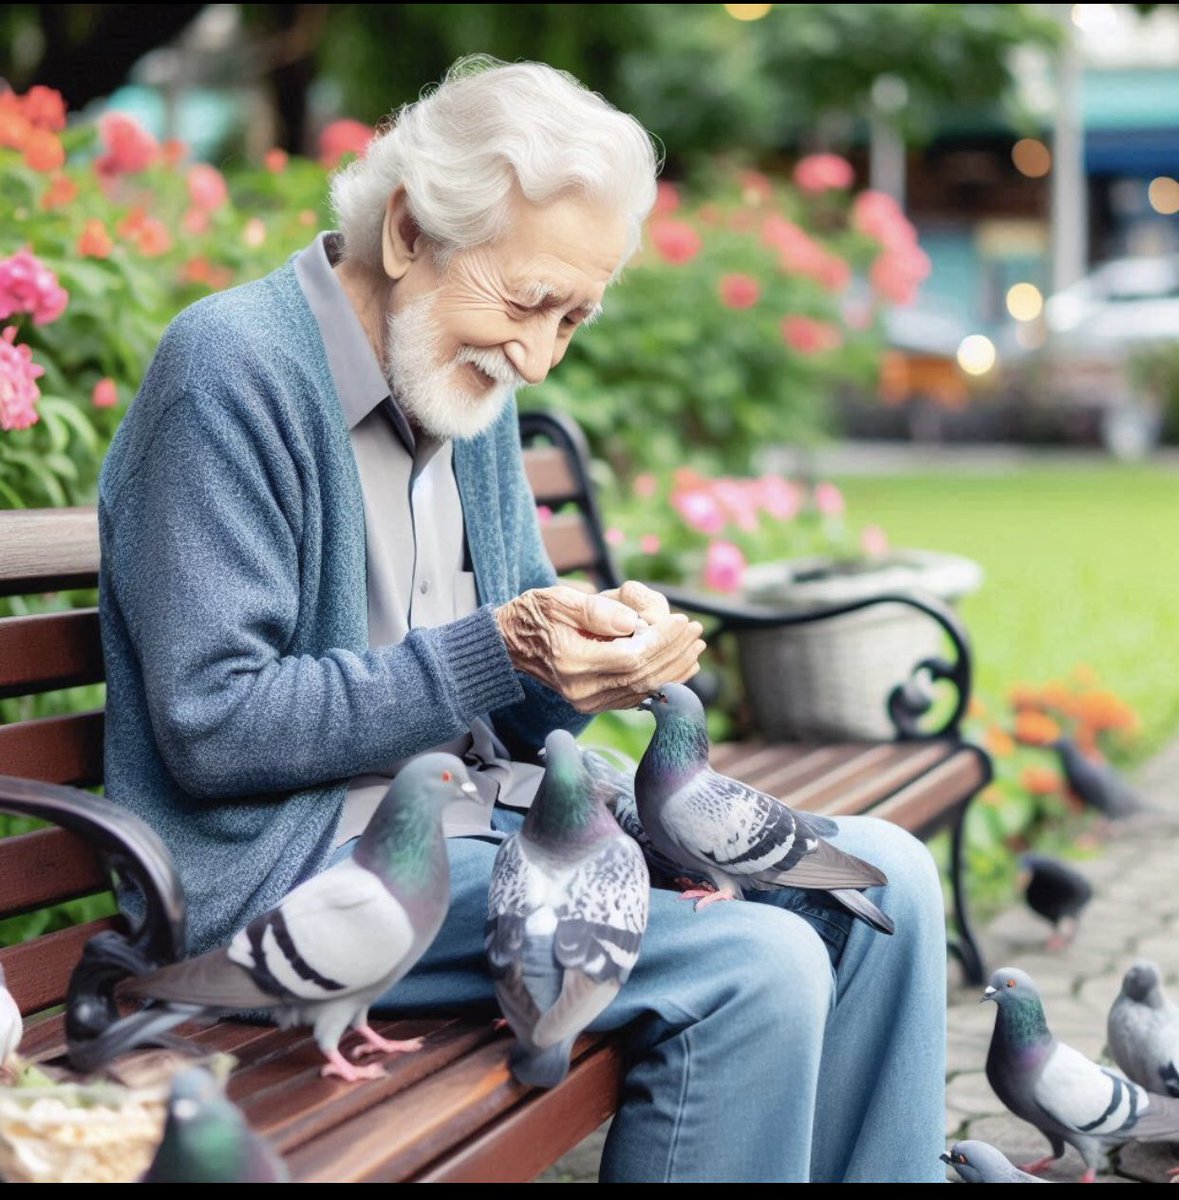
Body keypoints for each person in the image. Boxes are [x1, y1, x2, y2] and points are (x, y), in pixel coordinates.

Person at [97, 55, 947, 1182]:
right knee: (755, 965)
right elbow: (215, 728)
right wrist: (492, 652)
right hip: (298, 882)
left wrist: (598, 656)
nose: (539, 354)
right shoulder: (231, 371)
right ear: (408, 233)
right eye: (528, 300)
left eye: (575, 318)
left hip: (487, 831)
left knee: (888, 879)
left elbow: (517, 697)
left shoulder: (468, 388)